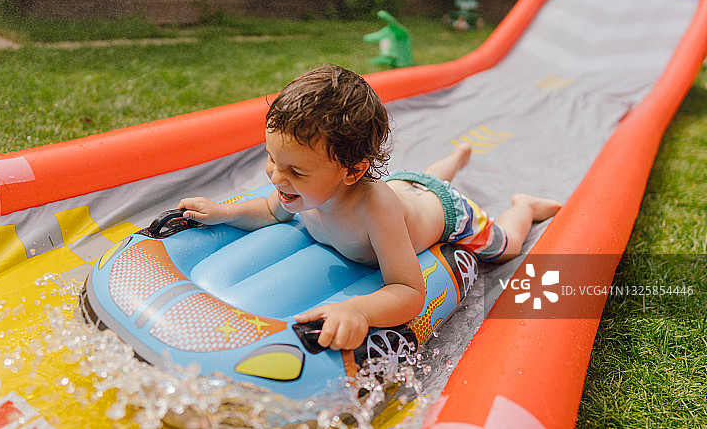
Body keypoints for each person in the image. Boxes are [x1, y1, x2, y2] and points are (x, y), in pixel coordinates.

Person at [177, 65, 561, 351]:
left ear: (353, 170)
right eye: (271, 159)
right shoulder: (298, 189)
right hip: (406, 185)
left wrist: (359, 310)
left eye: (294, 169)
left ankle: (523, 205)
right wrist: (225, 212)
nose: (276, 177)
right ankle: (455, 160)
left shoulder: (377, 211)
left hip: (444, 209)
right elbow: (268, 209)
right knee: (422, 178)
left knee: (505, 245)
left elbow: (408, 290)